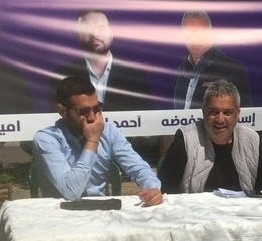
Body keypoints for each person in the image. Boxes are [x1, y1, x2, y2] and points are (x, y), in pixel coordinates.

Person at [32, 76, 163, 204]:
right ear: (62, 111)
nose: (92, 117)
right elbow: (70, 192)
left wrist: (152, 187)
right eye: (83, 111)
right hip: (60, 213)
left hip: (102, 211)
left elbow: (137, 167)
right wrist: (92, 141)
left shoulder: (109, 132)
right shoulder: (46, 139)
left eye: (96, 109)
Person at [159, 79, 262, 193]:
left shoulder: (254, 141)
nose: (220, 120)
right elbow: (165, 190)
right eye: (213, 112)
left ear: (238, 113)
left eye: (227, 113)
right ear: (203, 112)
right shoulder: (185, 140)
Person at [51, 9, 153, 111]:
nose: (95, 34)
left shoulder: (136, 76)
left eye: (101, 28)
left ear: (111, 34)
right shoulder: (62, 76)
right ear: (78, 36)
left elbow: (145, 117)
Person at [173, 10, 252, 110]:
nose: (195, 39)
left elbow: (245, 114)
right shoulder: (180, 73)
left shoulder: (233, 69)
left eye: (201, 33)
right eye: (190, 34)